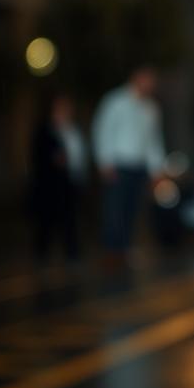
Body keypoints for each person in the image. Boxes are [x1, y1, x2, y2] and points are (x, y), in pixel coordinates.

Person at [91, 64, 166, 266]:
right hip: (118, 164)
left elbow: (153, 141)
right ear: (136, 77)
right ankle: (111, 250)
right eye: (147, 79)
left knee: (132, 209)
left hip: (139, 166)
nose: (150, 84)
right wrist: (104, 162)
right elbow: (103, 131)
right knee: (114, 208)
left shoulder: (151, 108)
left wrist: (156, 169)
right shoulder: (115, 102)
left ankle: (124, 249)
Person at [26, 91, 87, 268]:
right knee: (46, 221)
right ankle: (41, 255)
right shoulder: (45, 129)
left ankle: (72, 254)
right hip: (50, 184)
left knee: (70, 219)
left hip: (71, 181)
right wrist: (54, 159)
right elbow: (38, 156)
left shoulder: (73, 129)